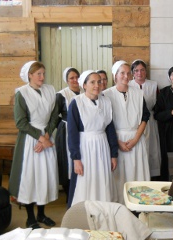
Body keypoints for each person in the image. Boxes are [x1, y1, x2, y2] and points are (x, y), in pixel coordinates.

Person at [9, 61, 59, 229]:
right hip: (30, 141)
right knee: (31, 178)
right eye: (38, 74)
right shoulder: (21, 94)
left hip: (45, 137)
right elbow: (20, 122)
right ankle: (30, 217)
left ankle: (42, 214)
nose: (42, 77)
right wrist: (40, 138)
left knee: (44, 177)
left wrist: (47, 135)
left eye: (43, 73)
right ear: (29, 75)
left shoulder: (50, 90)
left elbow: (54, 115)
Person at [67, 70, 119, 207]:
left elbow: (110, 129)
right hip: (85, 148)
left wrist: (114, 154)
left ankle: (102, 213)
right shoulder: (76, 103)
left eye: (99, 81)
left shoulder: (106, 101)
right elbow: (72, 133)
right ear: (84, 85)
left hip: (102, 146)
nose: (97, 85)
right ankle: (83, 214)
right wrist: (76, 159)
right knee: (85, 181)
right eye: (92, 82)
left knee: (103, 180)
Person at [103, 60, 150, 204]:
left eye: (127, 73)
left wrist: (136, 139)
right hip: (117, 140)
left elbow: (145, 117)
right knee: (120, 176)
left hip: (136, 138)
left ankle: (137, 207)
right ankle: (120, 206)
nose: (125, 76)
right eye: (121, 73)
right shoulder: (106, 95)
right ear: (115, 75)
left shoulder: (137, 92)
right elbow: (106, 123)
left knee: (137, 175)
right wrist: (118, 142)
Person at [129, 59, 161, 179]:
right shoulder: (129, 85)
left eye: (142, 70)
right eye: (136, 70)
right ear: (132, 72)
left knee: (151, 148)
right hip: (134, 122)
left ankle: (151, 175)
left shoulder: (153, 85)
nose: (139, 73)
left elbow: (158, 104)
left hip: (150, 121)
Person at [55, 67, 82, 202]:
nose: (75, 80)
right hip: (66, 132)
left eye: (77, 77)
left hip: (82, 133)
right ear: (66, 80)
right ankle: (69, 196)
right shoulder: (62, 95)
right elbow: (54, 116)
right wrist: (63, 125)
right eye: (71, 78)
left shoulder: (84, 92)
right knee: (67, 164)